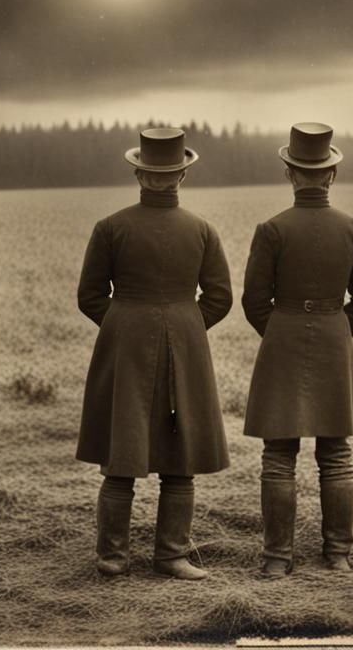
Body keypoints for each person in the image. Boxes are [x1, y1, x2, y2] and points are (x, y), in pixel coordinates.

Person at [76, 127, 232, 580]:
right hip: (185, 343)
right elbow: (219, 298)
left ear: (138, 174)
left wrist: (125, 324)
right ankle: (171, 557)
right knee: (180, 457)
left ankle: (113, 557)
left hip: (125, 345)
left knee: (120, 456)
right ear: (182, 175)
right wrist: (184, 326)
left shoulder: (109, 227)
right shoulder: (204, 230)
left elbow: (89, 297)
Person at [242, 122, 353, 578]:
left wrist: (282, 331)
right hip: (333, 339)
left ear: (289, 172)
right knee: (336, 454)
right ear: (332, 175)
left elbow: (254, 302)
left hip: (281, 337)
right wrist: (338, 329)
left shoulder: (271, 230)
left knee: (278, 455)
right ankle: (338, 556)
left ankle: (277, 559)